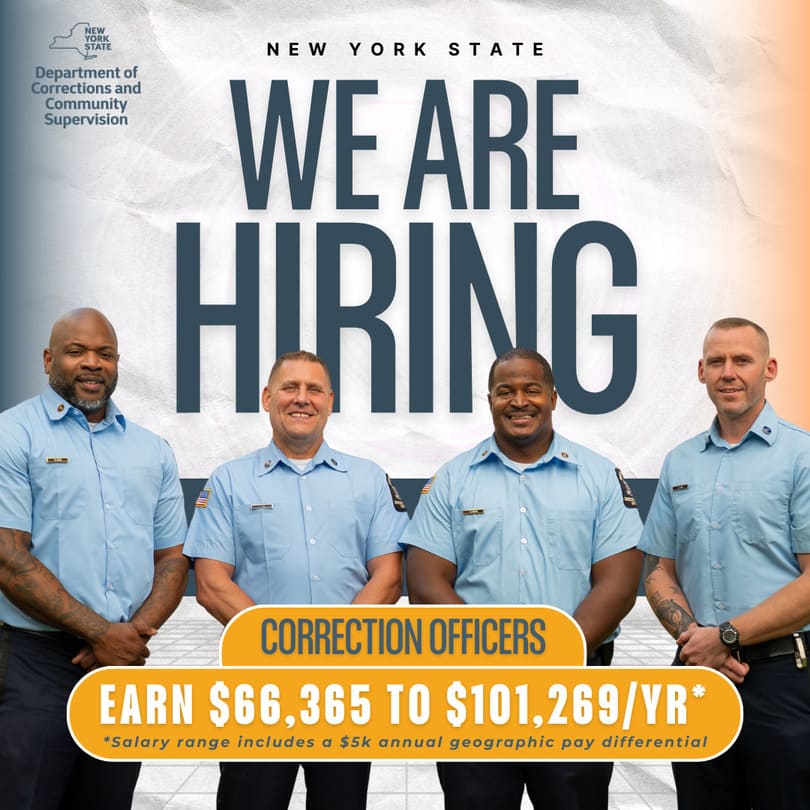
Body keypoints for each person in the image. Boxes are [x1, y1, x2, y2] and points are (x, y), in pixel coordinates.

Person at [405, 347, 643, 810]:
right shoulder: (452, 479)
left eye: (531, 390)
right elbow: (425, 583)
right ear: (489, 400)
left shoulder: (598, 476)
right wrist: (491, 655)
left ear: (552, 398)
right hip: (474, 693)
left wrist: (555, 655)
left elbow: (618, 584)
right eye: (505, 391)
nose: (519, 401)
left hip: (574, 689)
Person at [184, 350, 408, 810]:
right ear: (268, 398)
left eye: (313, 390)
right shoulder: (229, 482)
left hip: (344, 688)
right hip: (258, 689)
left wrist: (334, 647)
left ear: (330, 402)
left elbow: (388, 577)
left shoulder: (368, 480)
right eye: (290, 388)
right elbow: (211, 583)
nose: (301, 399)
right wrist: (283, 646)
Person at [0, 307, 189, 810]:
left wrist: (128, 636)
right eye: (76, 351)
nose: (92, 363)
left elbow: (173, 559)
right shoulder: (12, 435)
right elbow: (8, 558)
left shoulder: (153, 450)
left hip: (122, 664)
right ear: (48, 360)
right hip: (36, 663)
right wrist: (100, 633)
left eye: (105, 354)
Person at [640, 317, 810, 809]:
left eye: (742, 360)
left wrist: (727, 637)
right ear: (701, 372)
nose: (728, 372)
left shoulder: (801, 456)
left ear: (769, 369)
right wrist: (697, 641)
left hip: (782, 678)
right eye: (716, 362)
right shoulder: (680, 461)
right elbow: (658, 569)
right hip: (697, 672)